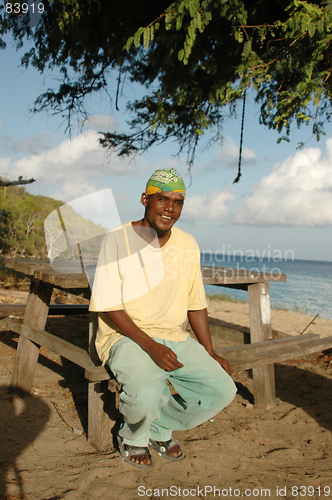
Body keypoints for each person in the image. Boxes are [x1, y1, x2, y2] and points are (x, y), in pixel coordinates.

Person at [89, 168, 237, 468]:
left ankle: (156, 427)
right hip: (126, 336)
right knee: (146, 390)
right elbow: (108, 305)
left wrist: (210, 352)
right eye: (162, 199)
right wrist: (151, 347)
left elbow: (196, 303)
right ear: (145, 199)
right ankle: (133, 436)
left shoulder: (187, 244)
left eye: (178, 201)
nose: (170, 207)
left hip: (174, 336)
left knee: (222, 390)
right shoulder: (117, 240)